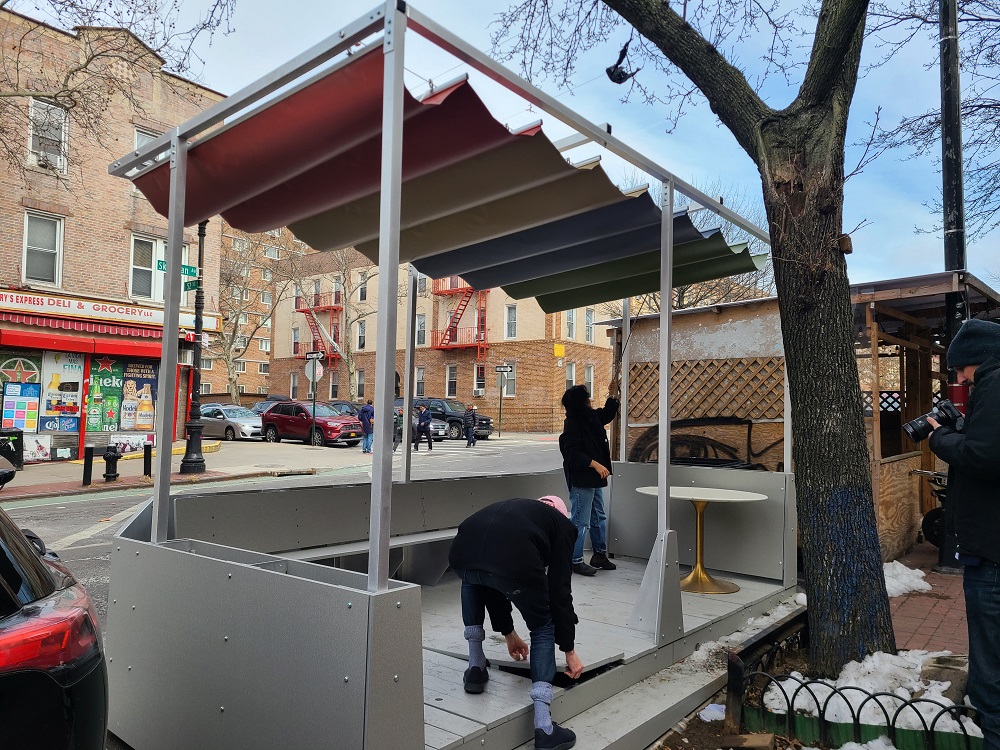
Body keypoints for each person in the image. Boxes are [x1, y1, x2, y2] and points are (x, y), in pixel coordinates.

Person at [449, 496, 583, 750]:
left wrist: (509, 634)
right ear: (561, 514)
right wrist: (569, 650)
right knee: (543, 626)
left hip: (462, 551)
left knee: (475, 579)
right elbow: (559, 593)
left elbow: (493, 580)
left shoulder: (519, 511)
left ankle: (476, 667)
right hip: (506, 557)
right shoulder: (563, 526)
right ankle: (544, 727)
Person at [927, 318, 1000, 750]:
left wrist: (942, 438)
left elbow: (986, 459)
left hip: (992, 552)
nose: (959, 381)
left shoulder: (994, 384)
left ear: (974, 360)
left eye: (959, 372)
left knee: (990, 663)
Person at [559, 382, 620, 576]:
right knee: (580, 521)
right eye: (586, 398)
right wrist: (595, 464)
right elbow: (572, 454)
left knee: (598, 517)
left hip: (593, 479)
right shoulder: (573, 423)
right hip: (582, 479)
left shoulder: (589, 417)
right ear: (581, 402)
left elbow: (606, 414)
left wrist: (612, 396)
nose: (589, 401)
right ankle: (575, 560)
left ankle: (599, 555)